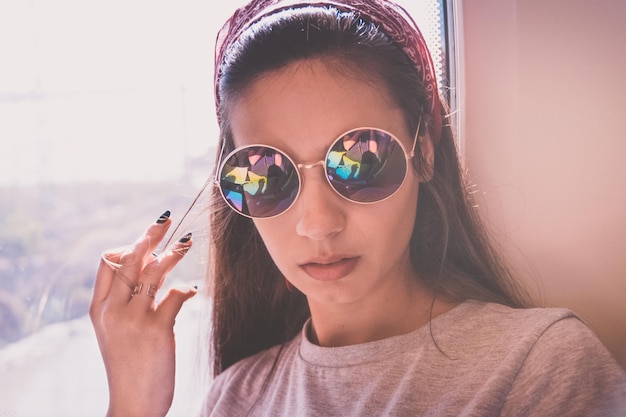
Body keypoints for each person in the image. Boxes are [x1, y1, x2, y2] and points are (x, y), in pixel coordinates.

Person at [89, 0, 626, 416]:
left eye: (361, 163)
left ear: (426, 152)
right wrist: (133, 406)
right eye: (266, 174)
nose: (318, 223)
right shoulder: (236, 397)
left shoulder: (537, 367)